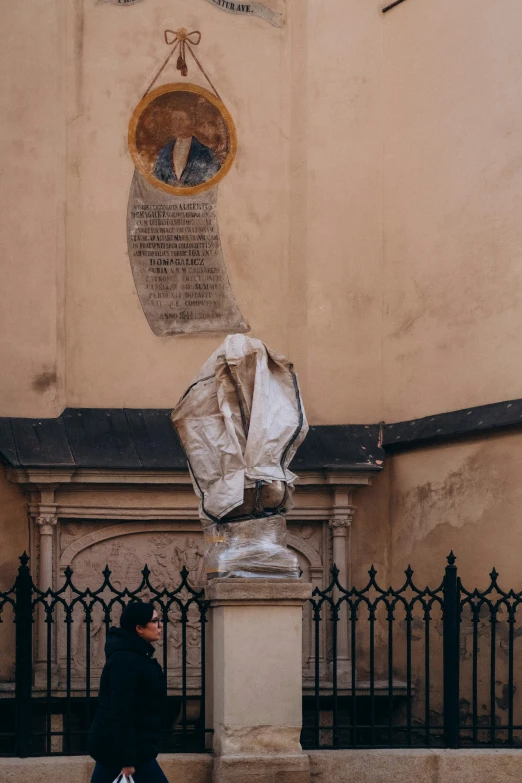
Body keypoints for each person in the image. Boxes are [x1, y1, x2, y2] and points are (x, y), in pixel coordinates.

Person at [88, 602, 168, 783]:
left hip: (129, 748)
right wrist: (126, 759)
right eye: (155, 621)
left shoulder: (135, 655)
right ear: (139, 628)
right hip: (124, 750)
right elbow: (120, 711)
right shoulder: (125, 660)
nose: (160, 626)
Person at [153, 108, 221, 187]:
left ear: (191, 123)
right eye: (174, 120)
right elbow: (156, 180)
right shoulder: (163, 152)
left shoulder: (206, 153)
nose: (177, 124)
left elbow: (213, 182)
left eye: (181, 120)